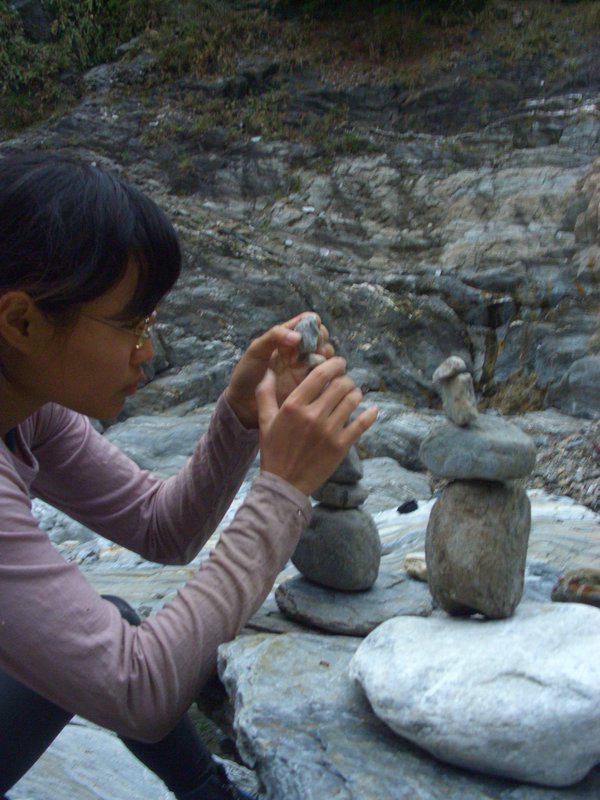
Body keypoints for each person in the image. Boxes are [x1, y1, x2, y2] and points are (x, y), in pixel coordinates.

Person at [0, 152, 378, 799]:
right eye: (131, 324)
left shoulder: (26, 407)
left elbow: (160, 527)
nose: (147, 351)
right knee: (119, 655)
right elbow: (138, 689)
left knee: (109, 620)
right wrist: (282, 490)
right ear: (21, 321)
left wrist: (241, 414)